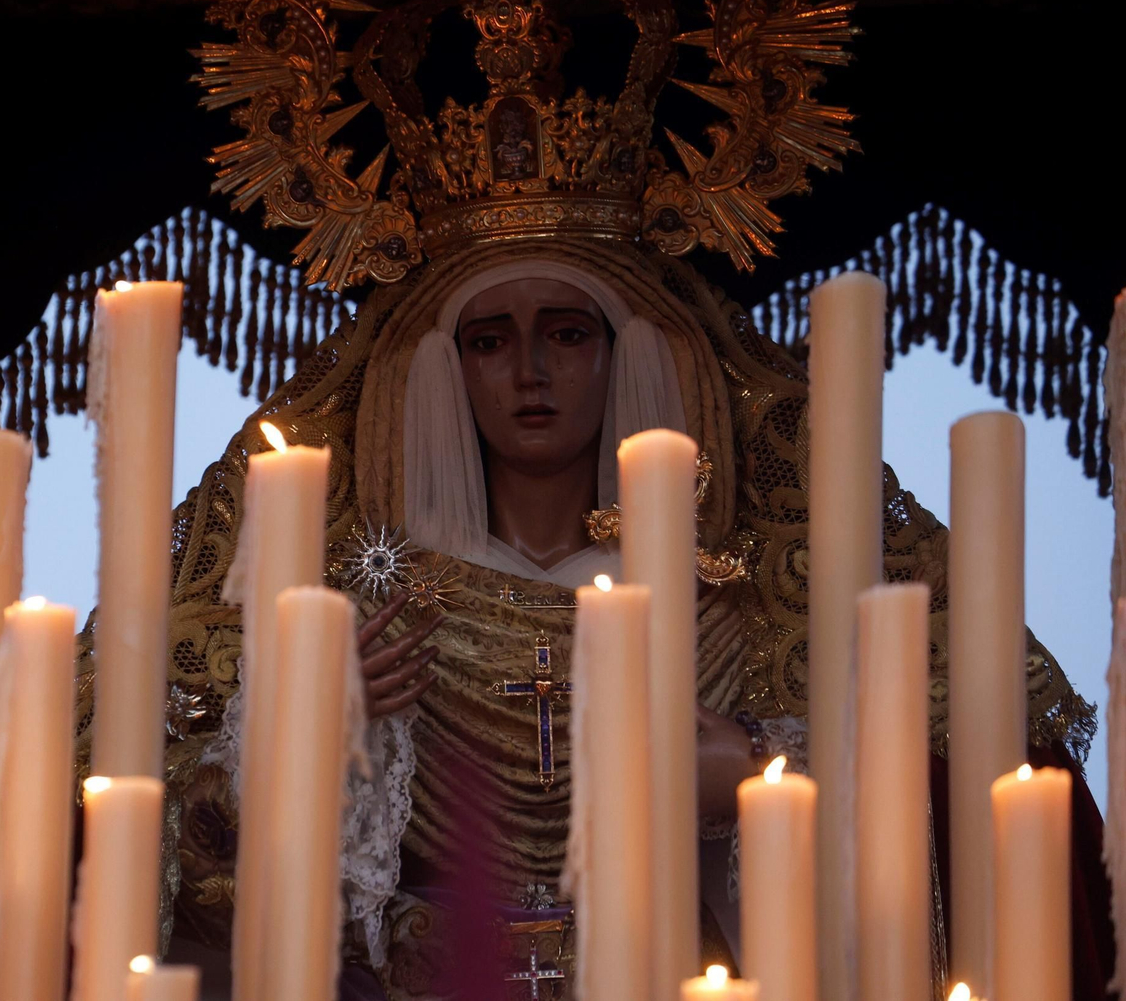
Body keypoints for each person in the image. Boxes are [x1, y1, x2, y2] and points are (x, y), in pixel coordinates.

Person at [70, 237, 1111, 999]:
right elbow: (152, 848)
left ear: (625, 354)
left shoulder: (738, 603)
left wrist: (761, 769)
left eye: (566, 333)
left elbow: (982, 784)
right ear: (445, 368)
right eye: (490, 340)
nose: (530, 370)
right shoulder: (362, 611)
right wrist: (291, 748)